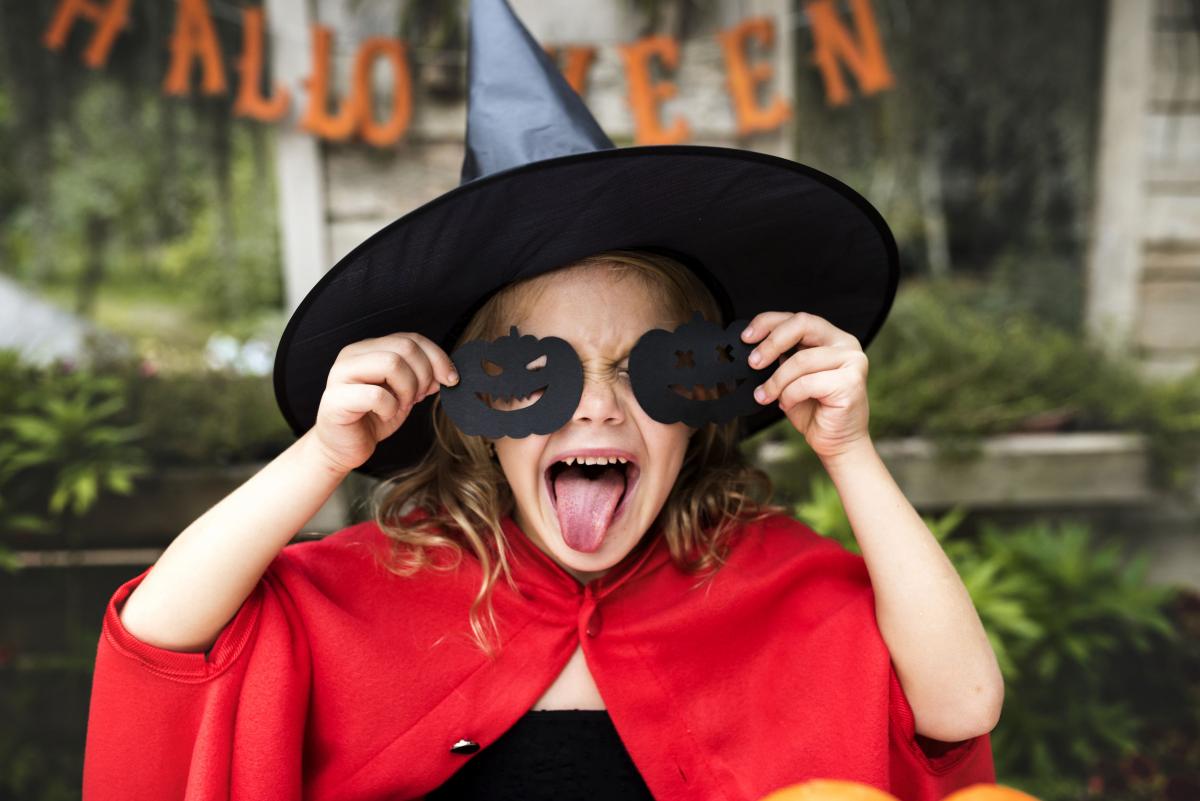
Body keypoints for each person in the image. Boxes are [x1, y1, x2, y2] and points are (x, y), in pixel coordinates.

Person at [82, 1, 1002, 800]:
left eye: (648, 367)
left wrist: (849, 451)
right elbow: (159, 637)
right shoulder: (372, 592)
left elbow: (960, 704)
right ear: (472, 411)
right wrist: (324, 455)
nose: (597, 407)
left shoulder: (773, 588)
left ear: (702, 400)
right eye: (536, 372)